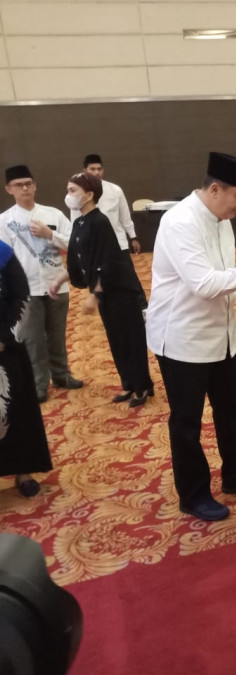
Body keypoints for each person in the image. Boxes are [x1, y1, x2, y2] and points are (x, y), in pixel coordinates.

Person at [145, 152, 236, 522]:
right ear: (214, 189)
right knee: (187, 422)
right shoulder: (179, 222)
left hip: (221, 335)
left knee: (232, 411)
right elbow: (202, 284)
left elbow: (219, 278)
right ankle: (192, 495)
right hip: (182, 338)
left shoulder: (222, 220)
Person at [49, 172, 153, 407]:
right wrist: (59, 280)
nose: (68, 195)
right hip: (105, 292)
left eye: (72, 191)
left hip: (120, 291)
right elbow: (78, 259)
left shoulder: (100, 222)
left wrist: (95, 295)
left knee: (130, 337)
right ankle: (128, 384)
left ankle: (142, 386)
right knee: (116, 339)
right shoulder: (79, 222)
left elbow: (106, 262)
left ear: (88, 195)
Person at [0, 165, 81, 402]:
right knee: (32, 340)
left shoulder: (53, 214)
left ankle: (62, 375)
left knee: (57, 336)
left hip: (56, 283)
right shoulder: (4, 221)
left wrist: (49, 235)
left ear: (35, 185)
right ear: (9, 189)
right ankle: (38, 384)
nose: (24, 188)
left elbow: (74, 246)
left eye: (28, 183)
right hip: (26, 291)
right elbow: (4, 261)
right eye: (18, 185)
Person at [0, 239, 52, 497]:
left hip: (4, 345)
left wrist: (3, 336)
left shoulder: (3, 252)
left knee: (15, 408)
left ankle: (23, 471)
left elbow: (19, 294)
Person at [74, 154, 141, 254]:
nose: (96, 172)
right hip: (91, 246)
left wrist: (133, 237)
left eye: (99, 169)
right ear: (85, 171)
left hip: (118, 244)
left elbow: (125, 217)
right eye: (92, 169)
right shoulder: (77, 193)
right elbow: (74, 222)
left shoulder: (115, 190)